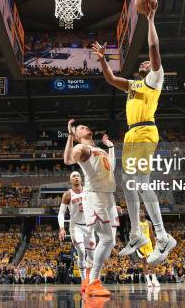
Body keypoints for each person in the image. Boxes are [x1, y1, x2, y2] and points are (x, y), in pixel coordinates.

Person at [92, 0, 175, 266]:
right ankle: (137, 233)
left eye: (147, 63)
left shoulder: (154, 78)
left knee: (141, 183)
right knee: (128, 184)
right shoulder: (133, 85)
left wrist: (150, 21)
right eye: (142, 63)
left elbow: (154, 48)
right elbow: (111, 79)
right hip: (131, 135)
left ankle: (162, 236)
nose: (144, 63)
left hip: (144, 133)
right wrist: (103, 60)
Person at [64, 119, 117, 297]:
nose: (85, 126)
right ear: (78, 136)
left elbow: (112, 168)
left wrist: (110, 147)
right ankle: (93, 280)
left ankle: (88, 277)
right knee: (106, 239)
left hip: (107, 196)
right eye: (81, 128)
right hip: (94, 195)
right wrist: (70, 136)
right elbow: (68, 159)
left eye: (85, 125)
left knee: (111, 242)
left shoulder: (99, 149)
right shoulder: (82, 148)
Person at [58, 171, 95, 293]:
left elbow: (98, 205)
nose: (76, 177)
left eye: (78, 175)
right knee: (80, 250)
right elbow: (61, 213)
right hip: (76, 226)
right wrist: (62, 228)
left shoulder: (88, 192)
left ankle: (90, 280)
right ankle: (84, 281)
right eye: (74, 176)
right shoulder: (67, 195)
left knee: (91, 257)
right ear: (70, 180)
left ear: (81, 179)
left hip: (89, 226)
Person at [136, 210, 160, 288]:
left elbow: (152, 234)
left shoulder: (149, 223)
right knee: (144, 263)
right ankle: (148, 281)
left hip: (148, 244)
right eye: (139, 212)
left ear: (144, 213)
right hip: (140, 244)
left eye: (142, 212)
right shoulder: (136, 223)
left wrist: (154, 244)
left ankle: (154, 279)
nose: (141, 213)